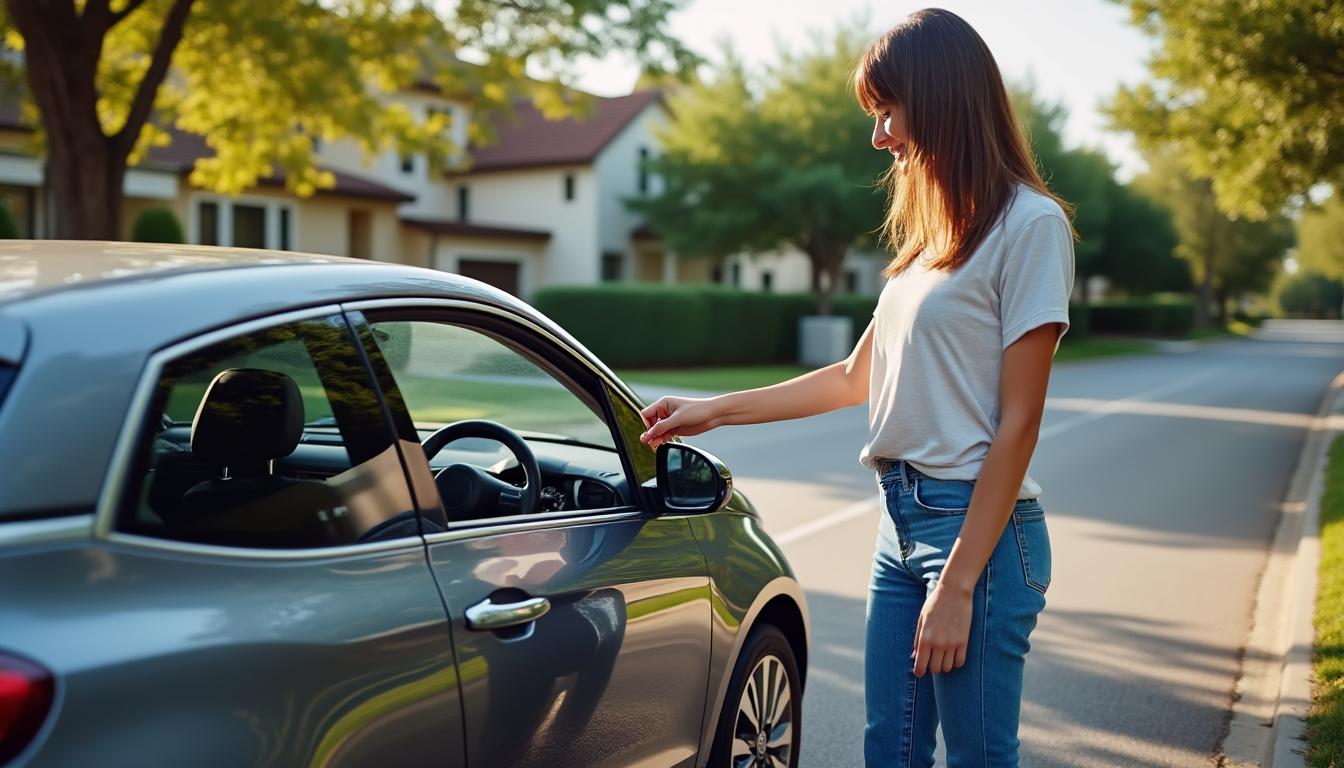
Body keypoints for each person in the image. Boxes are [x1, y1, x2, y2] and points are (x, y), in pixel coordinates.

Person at [637, 8, 1076, 767]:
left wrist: (961, 581)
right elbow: (852, 378)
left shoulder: (1030, 227)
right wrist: (710, 411)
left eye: (886, 111)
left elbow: (1019, 422)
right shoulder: (928, 244)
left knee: (977, 756)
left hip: (978, 534)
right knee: (891, 748)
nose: (879, 136)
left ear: (940, 98)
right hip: (898, 522)